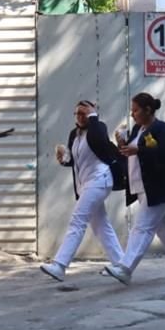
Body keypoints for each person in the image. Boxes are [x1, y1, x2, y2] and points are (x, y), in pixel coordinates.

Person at [104, 93, 165, 285]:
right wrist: (122, 144)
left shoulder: (162, 129)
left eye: (136, 110)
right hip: (143, 186)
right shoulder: (138, 129)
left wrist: (139, 150)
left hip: (161, 186)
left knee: (142, 227)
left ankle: (125, 268)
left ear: (148, 110)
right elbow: (131, 154)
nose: (132, 114)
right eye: (132, 110)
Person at [40, 100, 126, 282]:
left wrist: (93, 116)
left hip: (100, 179)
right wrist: (64, 159)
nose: (80, 117)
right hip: (85, 184)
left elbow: (99, 142)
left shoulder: (98, 128)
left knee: (78, 220)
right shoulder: (74, 134)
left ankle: (60, 265)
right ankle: (121, 264)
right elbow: (76, 161)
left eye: (84, 113)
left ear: (91, 115)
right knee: (100, 225)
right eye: (77, 113)